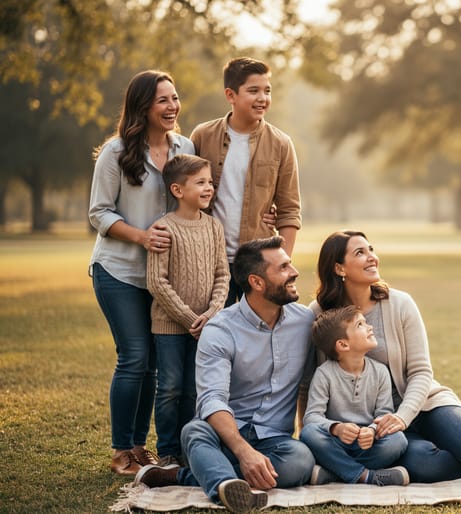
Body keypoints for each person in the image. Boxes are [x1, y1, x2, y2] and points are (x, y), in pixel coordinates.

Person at [310, 230, 461, 483]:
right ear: (339, 268)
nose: (372, 257)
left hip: (424, 403)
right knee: (425, 465)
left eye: (371, 249)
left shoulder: (400, 303)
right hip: (375, 423)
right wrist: (317, 434)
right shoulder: (319, 315)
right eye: (360, 253)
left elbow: (421, 372)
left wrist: (403, 417)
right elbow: (313, 380)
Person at [133, 236, 316, 513]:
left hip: (274, 441)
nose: (294, 272)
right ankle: (227, 483)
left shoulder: (305, 322)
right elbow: (212, 400)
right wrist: (243, 452)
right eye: (283, 267)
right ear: (257, 282)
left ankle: (187, 477)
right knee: (194, 431)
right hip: (224, 434)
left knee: (301, 459)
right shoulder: (220, 330)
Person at [89, 69, 195, 475]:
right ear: (143, 107)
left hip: (163, 277)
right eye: (163, 100)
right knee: (133, 357)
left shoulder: (184, 146)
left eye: (175, 97)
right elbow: (98, 212)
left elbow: (199, 191)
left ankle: (139, 448)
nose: (173, 106)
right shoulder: (116, 152)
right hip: (118, 271)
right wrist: (142, 237)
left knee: (151, 363)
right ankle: (121, 451)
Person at [191, 57, 302, 306]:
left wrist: (280, 265)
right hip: (210, 261)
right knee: (217, 335)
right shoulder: (202, 136)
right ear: (231, 94)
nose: (262, 98)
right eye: (253, 91)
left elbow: (289, 210)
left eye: (267, 90)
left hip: (258, 264)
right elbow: (184, 195)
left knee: (260, 336)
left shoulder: (281, 144)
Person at [146, 154, 230, 467]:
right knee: (169, 387)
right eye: (200, 183)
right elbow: (157, 282)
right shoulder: (164, 228)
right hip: (169, 326)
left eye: (210, 182)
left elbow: (223, 274)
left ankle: (188, 447)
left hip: (205, 325)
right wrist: (188, 317)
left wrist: (212, 312)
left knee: (196, 390)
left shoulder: (213, 227)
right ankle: (167, 451)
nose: (209, 188)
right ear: (178, 190)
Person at [301, 305, 410, 486]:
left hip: (369, 444)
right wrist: (337, 428)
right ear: (343, 344)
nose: (370, 327)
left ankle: (335, 472)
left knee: (397, 440)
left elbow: (384, 413)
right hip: (336, 443)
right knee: (309, 433)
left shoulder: (380, 372)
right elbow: (312, 417)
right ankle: (366, 476)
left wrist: (372, 430)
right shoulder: (324, 374)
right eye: (360, 324)